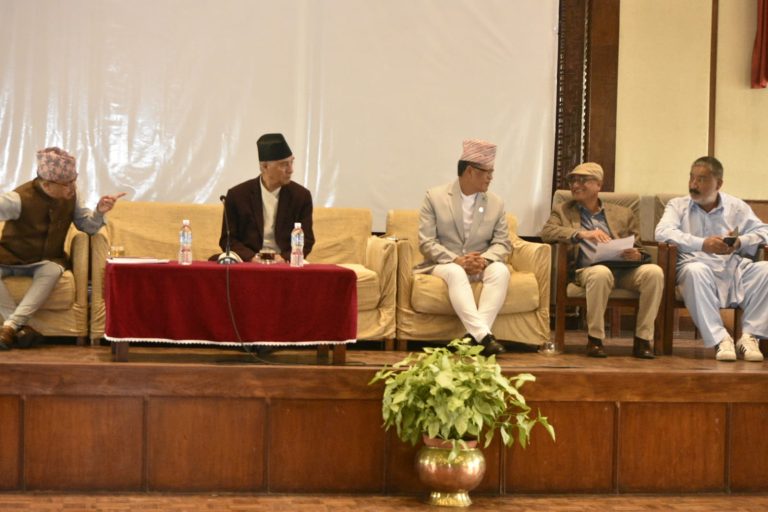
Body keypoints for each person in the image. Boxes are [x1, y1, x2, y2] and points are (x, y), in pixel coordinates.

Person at [0, 147, 124, 349]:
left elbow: (87, 227)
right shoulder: (17, 199)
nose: (72, 188)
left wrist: (99, 212)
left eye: (74, 180)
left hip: (45, 260)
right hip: (8, 257)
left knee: (53, 269)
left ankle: (10, 326)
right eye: (67, 184)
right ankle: (16, 327)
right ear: (47, 185)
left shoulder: (73, 196)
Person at [541, 162, 663, 359]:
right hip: (587, 271)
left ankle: (643, 339)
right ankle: (595, 340)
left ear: (598, 185)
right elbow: (547, 232)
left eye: (583, 180)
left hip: (624, 271)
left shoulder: (623, 213)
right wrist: (582, 234)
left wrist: (637, 254)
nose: (575, 185)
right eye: (572, 181)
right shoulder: (563, 210)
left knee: (654, 272)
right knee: (601, 273)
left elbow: (638, 246)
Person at [655, 156, 768, 362]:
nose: (693, 184)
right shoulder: (677, 205)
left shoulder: (736, 206)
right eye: (692, 178)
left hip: (731, 267)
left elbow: (764, 232)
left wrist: (740, 241)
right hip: (694, 264)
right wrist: (702, 244)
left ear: (719, 183)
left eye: (701, 179)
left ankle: (750, 337)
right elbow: (662, 232)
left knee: (765, 270)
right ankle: (721, 339)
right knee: (695, 271)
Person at [416, 139, 511, 356]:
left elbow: (502, 242)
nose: (491, 177)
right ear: (470, 171)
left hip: (480, 263)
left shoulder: (496, 203)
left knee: (500, 270)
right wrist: (457, 260)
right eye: (487, 172)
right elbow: (427, 242)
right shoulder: (435, 197)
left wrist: (484, 260)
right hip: (445, 263)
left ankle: (474, 338)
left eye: (492, 172)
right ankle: (484, 336)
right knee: (456, 271)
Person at [221, 133, 314, 263]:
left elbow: (307, 240)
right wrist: (251, 258)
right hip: (249, 260)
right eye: (284, 164)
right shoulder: (237, 195)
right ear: (265, 167)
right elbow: (228, 239)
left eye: (291, 162)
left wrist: (284, 257)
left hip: (285, 261)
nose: (291, 170)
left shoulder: (301, 196)